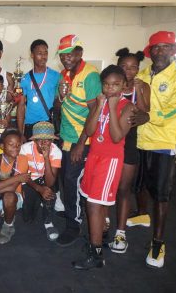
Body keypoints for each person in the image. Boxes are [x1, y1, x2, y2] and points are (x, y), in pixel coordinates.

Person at [130, 31, 176, 268]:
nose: (159, 52)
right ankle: (142, 214)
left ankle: (158, 242)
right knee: (140, 185)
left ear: (173, 50)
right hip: (140, 140)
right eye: (155, 48)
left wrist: (148, 116)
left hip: (163, 144)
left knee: (162, 195)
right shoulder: (143, 74)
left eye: (165, 47)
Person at [73, 65, 133, 270]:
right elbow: (89, 130)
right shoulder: (101, 102)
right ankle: (95, 243)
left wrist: (114, 106)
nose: (111, 89)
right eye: (107, 85)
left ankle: (96, 254)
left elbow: (117, 136)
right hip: (94, 157)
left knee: (94, 205)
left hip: (110, 160)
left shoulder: (127, 106)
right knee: (91, 201)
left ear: (124, 86)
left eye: (116, 85)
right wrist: (99, 107)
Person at [54, 34, 102, 247]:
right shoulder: (64, 74)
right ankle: (74, 213)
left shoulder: (90, 75)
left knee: (71, 181)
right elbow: (59, 107)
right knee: (67, 179)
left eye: (70, 54)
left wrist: (81, 144)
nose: (66, 58)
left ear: (80, 53)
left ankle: (74, 224)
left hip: (82, 141)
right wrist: (60, 98)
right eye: (63, 55)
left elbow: (95, 112)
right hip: (65, 138)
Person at [107, 48, 150, 254]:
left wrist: (140, 91)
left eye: (133, 67)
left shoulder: (142, 86)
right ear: (118, 66)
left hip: (129, 142)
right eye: (124, 66)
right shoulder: (110, 86)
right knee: (107, 186)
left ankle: (121, 232)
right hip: (108, 142)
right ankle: (105, 220)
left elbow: (143, 113)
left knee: (124, 189)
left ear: (138, 69)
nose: (129, 70)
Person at [20, 122, 62, 241]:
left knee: (49, 193)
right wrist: (39, 189)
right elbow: (22, 175)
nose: (44, 143)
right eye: (40, 139)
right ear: (34, 140)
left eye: (48, 140)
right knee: (28, 219)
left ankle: (48, 222)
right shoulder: (24, 149)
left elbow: (50, 183)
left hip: (45, 180)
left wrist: (46, 157)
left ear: (52, 141)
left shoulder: (56, 152)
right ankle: (37, 198)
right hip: (28, 181)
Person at [17, 39, 60, 141]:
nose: (43, 56)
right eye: (39, 53)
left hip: (49, 123)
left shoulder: (56, 76)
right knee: (30, 155)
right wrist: (20, 132)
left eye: (45, 53)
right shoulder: (25, 79)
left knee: (47, 155)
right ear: (32, 55)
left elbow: (59, 101)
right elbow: (21, 106)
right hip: (30, 125)